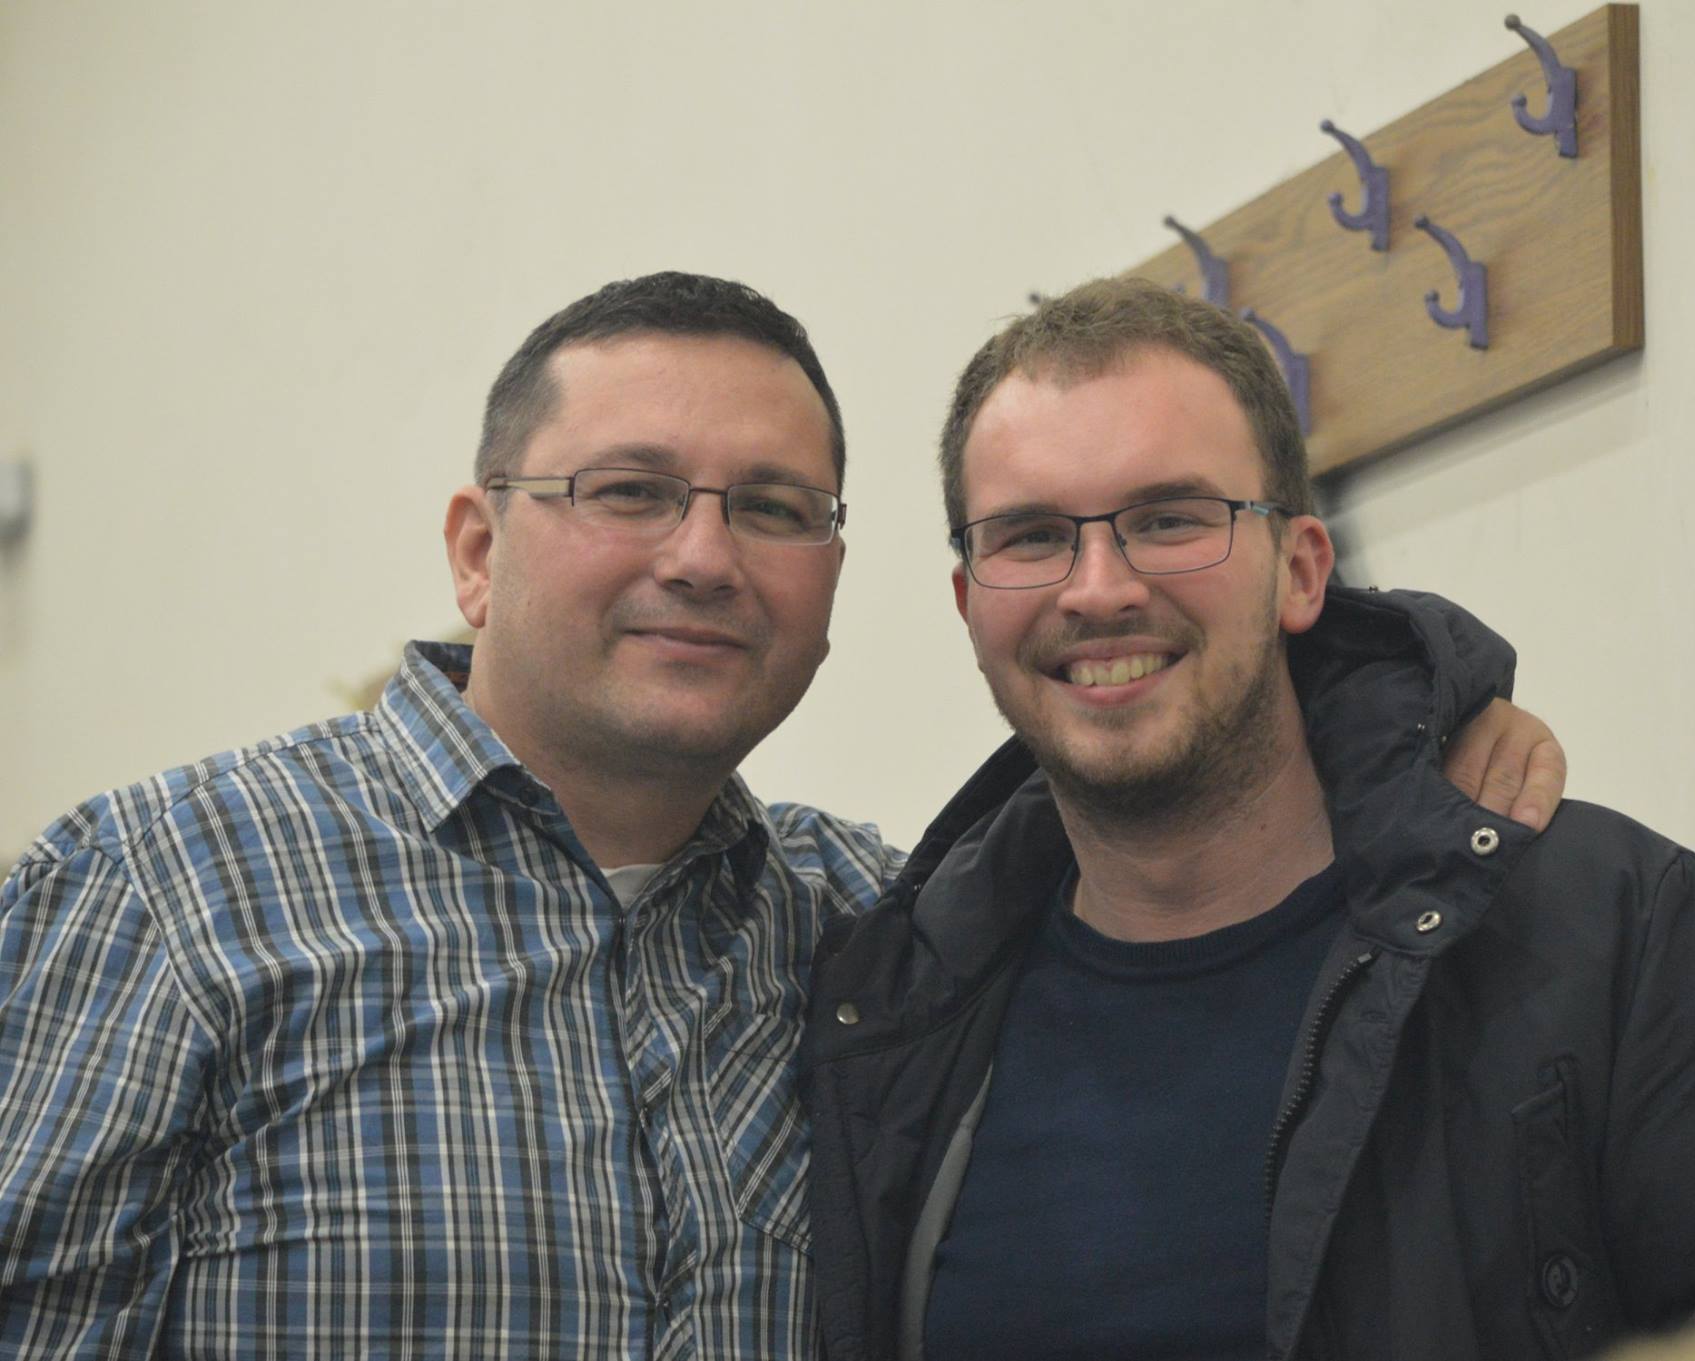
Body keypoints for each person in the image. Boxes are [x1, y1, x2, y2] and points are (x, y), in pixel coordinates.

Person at [0, 272, 1564, 1358]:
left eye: (771, 507)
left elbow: (1171, 804)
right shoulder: (164, 894)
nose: (703, 556)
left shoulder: (883, 934)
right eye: (627, 490)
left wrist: (1406, 746)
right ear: (478, 549)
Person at [797, 278, 1695, 1361]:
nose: (1097, 587)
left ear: (1300, 571)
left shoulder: (1625, 940)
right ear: (970, 601)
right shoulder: (902, 1016)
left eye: (1170, 517)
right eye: (1031, 536)